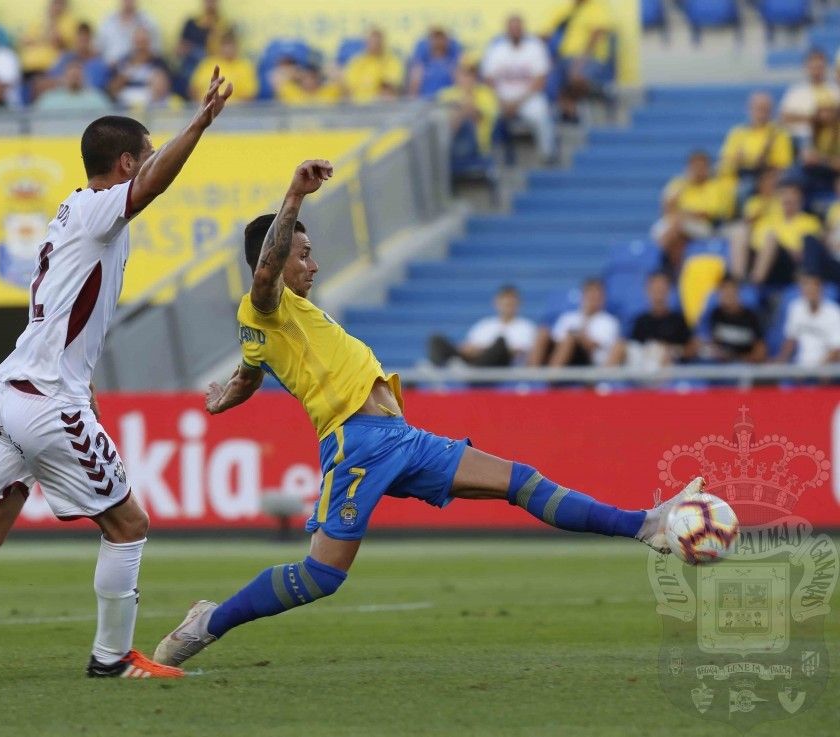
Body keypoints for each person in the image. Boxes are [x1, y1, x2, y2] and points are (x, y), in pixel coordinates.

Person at [149, 160, 702, 668]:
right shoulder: (264, 302)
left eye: (311, 252)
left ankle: (646, 525)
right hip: (357, 444)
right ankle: (206, 624)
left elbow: (250, 371)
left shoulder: (275, 324)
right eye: (302, 254)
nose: (312, 264)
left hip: (401, 437)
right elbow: (267, 273)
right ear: (269, 261)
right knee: (321, 576)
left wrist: (230, 393)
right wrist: (294, 194)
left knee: (521, 482)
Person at [0, 69, 234, 679]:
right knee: (128, 525)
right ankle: (112, 659)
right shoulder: (102, 209)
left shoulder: (74, 215)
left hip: (10, 396)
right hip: (48, 402)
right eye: (148, 155)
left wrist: (87, 392)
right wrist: (201, 121)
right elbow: (153, 187)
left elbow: (72, 321)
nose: (154, 163)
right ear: (127, 162)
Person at [481, 15, 557, 164]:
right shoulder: (497, 49)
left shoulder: (534, 48)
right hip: (501, 98)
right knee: (485, 115)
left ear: (523, 29)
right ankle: (489, 158)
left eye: (518, 28)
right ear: (506, 30)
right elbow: (488, 80)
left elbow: (540, 81)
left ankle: (547, 154)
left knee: (541, 114)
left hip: (527, 98)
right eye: (512, 28)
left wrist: (517, 103)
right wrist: (502, 101)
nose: (515, 31)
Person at [653, 150, 734, 274]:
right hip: (677, 223)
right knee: (674, 237)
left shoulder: (716, 186)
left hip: (705, 227)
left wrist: (682, 215)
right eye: (695, 166)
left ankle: (664, 268)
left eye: (702, 166)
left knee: (675, 228)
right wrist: (685, 185)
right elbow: (666, 208)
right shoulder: (679, 183)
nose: (699, 170)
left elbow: (707, 215)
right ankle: (674, 271)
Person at [427, 285, 536, 367]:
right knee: (436, 339)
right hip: (473, 361)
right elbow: (467, 347)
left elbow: (516, 352)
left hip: (500, 366)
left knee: (500, 342)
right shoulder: (484, 325)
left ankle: (470, 370)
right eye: (505, 304)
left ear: (518, 304)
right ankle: (435, 370)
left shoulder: (526, 327)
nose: (507, 308)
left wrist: (481, 350)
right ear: (496, 303)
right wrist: (473, 351)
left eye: (511, 304)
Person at [544, 0, 612, 122]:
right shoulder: (569, 9)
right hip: (563, 58)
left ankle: (596, 95)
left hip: (590, 58)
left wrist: (581, 61)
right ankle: (569, 109)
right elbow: (548, 31)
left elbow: (596, 35)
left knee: (576, 77)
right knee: (549, 82)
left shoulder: (597, 8)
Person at [747, 180, 822, 287]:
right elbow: (755, 243)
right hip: (764, 259)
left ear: (800, 201)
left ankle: (754, 282)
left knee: (771, 238)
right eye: (785, 200)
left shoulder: (810, 222)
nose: (788, 203)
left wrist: (781, 246)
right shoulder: (771, 219)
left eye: (792, 200)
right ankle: (739, 279)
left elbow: (807, 254)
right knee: (740, 231)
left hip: (790, 265)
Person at [615, 271, 695, 369]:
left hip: (670, 367)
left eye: (661, 288)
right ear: (648, 290)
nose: (658, 292)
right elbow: (635, 347)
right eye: (655, 288)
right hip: (643, 365)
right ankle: (603, 381)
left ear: (668, 290)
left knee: (661, 352)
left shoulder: (678, 319)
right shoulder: (641, 320)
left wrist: (672, 350)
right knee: (619, 346)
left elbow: (691, 349)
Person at [538, 278, 621, 367]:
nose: (593, 299)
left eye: (597, 296)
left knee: (570, 340)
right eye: (590, 294)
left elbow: (593, 347)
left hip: (589, 362)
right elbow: (557, 341)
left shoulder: (609, 322)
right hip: (565, 357)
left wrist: (578, 335)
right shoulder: (568, 317)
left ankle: (551, 376)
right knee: (543, 332)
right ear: (583, 295)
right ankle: (531, 378)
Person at [718, 92, 793, 189]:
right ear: (749, 109)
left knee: (746, 188)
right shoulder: (737, 133)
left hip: (762, 180)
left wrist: (759, 162)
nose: (761, 112)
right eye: (758, 108)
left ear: (771, 111)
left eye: (765, 109)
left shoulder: (778, 134)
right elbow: (725, 161)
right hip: (735, 178)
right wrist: (737, 161)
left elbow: (783, 166)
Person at [437, 59, 500, 172]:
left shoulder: (486, 94)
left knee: (465, 123)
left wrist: (466, 96)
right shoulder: (445, 94)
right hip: (448, 144)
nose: (469, 78)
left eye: (472, 74)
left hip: (477, 146)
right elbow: (443, 125)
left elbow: (477, 118)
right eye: (465, 73)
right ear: (456, 74)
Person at [777, 271, 840, 366]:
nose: (810, 289)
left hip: (825, 370)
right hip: (800, 368)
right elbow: (790, 340)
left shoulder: (834, 312)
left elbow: (836, 348)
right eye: (806, 285)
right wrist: (780, 361)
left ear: (821, 288)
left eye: (814, 286)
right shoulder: (796, 308)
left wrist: (820, 368)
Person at [700, 276, 766, 363]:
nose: (727, 295)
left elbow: (760, 354)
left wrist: (735, 357)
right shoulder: (715, 315)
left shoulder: (751, 318)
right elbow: (708, 342)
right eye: (723, 291)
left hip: (744, 367)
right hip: (719, 366)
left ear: (737, 292)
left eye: (730, 291)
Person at [780, 49, 840, 144]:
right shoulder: (796, 92)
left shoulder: (835, 90)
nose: (817, 71)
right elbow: (785, 117)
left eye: (820, 67)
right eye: (813, 67)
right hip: (803, 140)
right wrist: (815, 118)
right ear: (806, 67)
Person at [42, 22, 111, 100]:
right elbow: (51, 77)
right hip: (65, 98)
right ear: (75, 39)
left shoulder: (99, 62)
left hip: (89, 99)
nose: (82, 43)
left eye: (85, 39)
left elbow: (99, 86)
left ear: (90, 39)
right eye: (80, 38)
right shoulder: (65, 58)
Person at [108, 26, 173, 108]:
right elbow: (112, 90)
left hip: (151, 107)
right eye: (138, 43)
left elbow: (165, 89)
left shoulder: (159, 63)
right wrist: (123, 77)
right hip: (126, 106)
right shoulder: (123, 62)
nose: (140, 47)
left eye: (143, 42)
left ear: (149, 43)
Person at [189, 28, 257, 102]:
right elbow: (193, 90)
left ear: (236, 46)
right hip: (208, 109)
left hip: (235, 111)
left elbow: (249, 96)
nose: (227, 48)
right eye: (225, 44)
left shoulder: (244, 66)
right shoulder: (207, 64)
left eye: (230, 44)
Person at [341, 27, 404, 104]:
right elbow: (348, 86)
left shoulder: (391, 61)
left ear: (382, 42)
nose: (374, 44)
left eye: (376, 41)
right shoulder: (357, 61)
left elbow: (389, 87)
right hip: (357, 106)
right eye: (370, 41)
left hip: (380, 105)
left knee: (388, 96)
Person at [19, 0, 78, 80]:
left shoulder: (69, 22)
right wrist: (43, 38)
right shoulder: (38, 20)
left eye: (59, 3)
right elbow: (25, 41)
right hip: (29, 67)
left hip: (50, 69)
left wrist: (52, 22)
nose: (56, 6)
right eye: (54, 3)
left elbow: (58, 43)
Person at [97, 0, 160, 67]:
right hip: (109, 69)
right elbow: (98, 50)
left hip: (140, 68)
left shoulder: (148, 22)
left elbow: (156, 52)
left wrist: (135, 63)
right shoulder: (108, 21)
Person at [36, 60, 112, 112]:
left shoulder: (96, 98)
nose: (75, 79)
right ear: (64, 77)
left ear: (84, 77)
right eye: (72, 75)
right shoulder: (49, 99)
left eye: (77, 76)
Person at [407, 27, 459, 98]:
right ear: (430, 40)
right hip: (425, 102)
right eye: (435, 37)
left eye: (441, 37)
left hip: (447, 102)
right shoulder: (422, 63)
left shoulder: (452, 62)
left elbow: (459, 83)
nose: (438, 41)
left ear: (447, 40)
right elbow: (414, 84)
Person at [272, 61, 341, 106]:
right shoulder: (292, 92)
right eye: (305, 78)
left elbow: (340, 78)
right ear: (300, 78)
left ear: (318, 78)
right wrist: (296, 72)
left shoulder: (328, 92)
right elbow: (276, 76)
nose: (309, 81)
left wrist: (322, 71)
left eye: (313, 77)